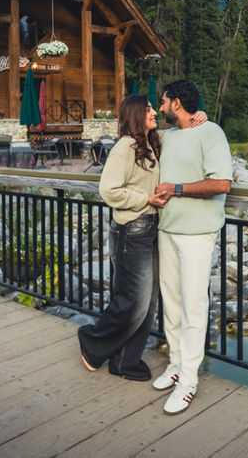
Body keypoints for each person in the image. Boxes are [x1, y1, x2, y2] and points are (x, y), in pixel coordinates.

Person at [151, 78, 233, 415]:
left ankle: (189, 379)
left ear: (177, 104)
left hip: (197, 234)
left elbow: (221, 183)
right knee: (170, 302)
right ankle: (175, 363)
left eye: (164, 101)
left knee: (194, 306)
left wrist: (177, 189)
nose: (159, 108)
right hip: (167, 229)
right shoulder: (167, 136)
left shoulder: (211, 132)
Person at [77, 94, 167, 381]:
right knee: (133, 301)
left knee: (148, 301)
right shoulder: (125, 147)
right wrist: (147, 198)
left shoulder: (151, 143)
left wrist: (199, 119)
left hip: (149, 228)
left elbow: (180, 130)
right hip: (131, 230)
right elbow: (109, 190)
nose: (154, 111)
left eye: (155, 107)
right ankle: (92, 343)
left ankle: (125, 361)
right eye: (149, 108)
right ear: (137, 114)